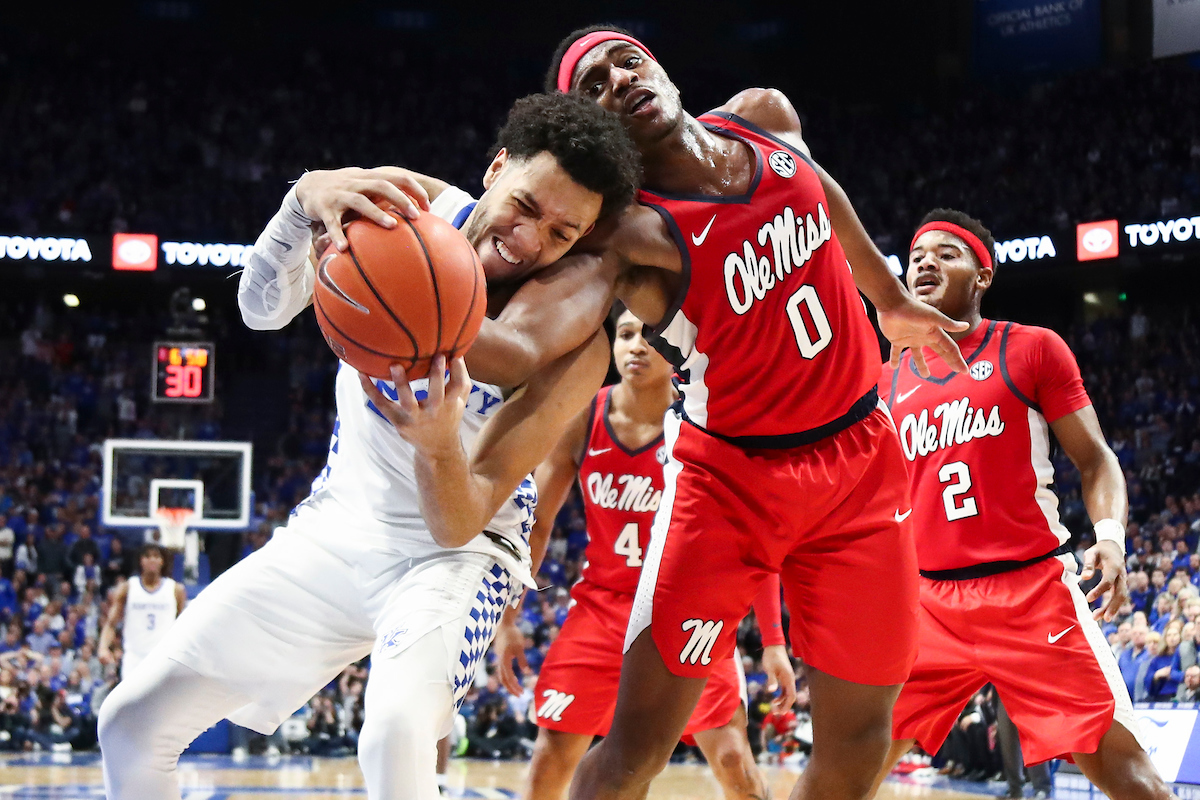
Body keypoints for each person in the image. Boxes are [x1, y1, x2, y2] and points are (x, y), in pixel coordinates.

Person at [97, 92, 640, 800]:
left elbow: (458, 521)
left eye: (561, 233)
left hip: (460, 557)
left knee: (395, 735)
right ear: (496, 167)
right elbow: (259, 312)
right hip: (338, 529)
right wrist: (301, 202)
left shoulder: (579, 348)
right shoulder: (405, 210)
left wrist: (437, 446)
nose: (530, 240)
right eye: (525, 205)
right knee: (130, 724)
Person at [538, 27, 969, 800]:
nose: (619, 80)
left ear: (658, 66)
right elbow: (521, 330)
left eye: (626, 61)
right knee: (634, 751)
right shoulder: (627, 232)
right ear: (591, 133)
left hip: (860, 463)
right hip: (731, 481)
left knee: (861, 740)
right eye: (593, 86)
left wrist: (889, 296)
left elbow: (820, 191)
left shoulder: (764, 115)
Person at [872, 209, 1176, 800]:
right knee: (849, 761)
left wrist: (1110, 538)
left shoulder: (1030, 348)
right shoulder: (884, 381)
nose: (926, 263)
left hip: (1031, 592)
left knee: (1127, 776)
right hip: (927, 601)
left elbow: (1096, 460)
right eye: (917, 257)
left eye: (947, 254)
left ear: (982, 276)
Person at [491, 308, 796, 800]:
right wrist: (508, 619)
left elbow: (751, 538)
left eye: (648, 335)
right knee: (551, 758)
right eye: (625, 334)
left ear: (674, 347)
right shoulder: (584, 416)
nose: (636, 345)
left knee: (732, 757)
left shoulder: (704, 418)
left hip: (688, 612)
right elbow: (539, 522)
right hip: (602, 609)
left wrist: (774, 641)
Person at [97, 543, 186, 681]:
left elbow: (183, 625)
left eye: (156, 556)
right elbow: (111, 623)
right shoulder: (127, 588)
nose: (152, 560)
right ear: (140, 560)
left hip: (164, 658)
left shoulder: (175, 589)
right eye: (147, 556)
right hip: (134, 658)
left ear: (162, 561)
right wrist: (103, 647)